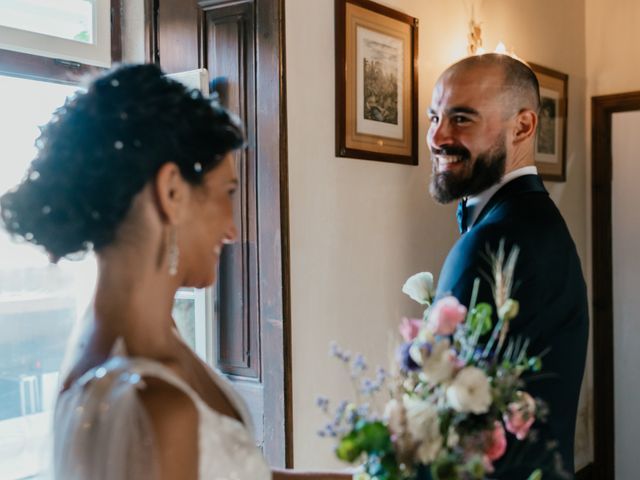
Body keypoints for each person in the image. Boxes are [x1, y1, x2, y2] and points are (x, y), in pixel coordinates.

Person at [0, 64, 348, 480]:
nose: (233, 229)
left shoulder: (139, 335)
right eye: (227, 193)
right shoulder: (155, 405)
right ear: (171, 192)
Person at [426, 54, 588, 478]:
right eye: (434, 116)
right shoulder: (540, 221)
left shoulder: (492, 241)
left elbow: (450, 423)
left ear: (523, 126)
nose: (438, 136)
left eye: (461, 118)